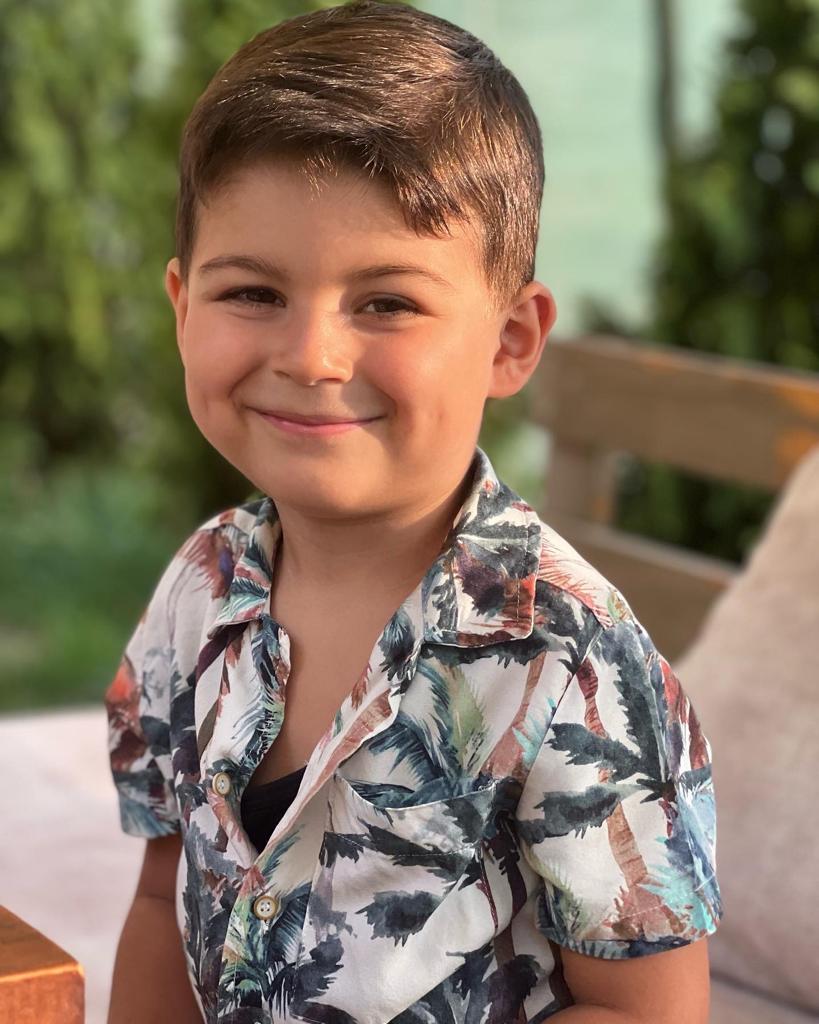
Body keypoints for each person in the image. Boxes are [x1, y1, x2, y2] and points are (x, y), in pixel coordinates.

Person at [103, 2, 723, 1021]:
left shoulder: (571, 661)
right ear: (181, 308)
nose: (311, 355)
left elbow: (645, 1008)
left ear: (510, 342)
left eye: (386, 302)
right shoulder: (199, 590)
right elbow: (157, 902)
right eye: (252, 293)